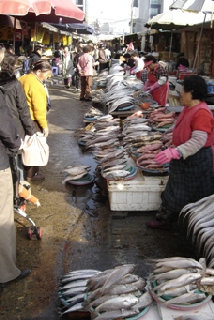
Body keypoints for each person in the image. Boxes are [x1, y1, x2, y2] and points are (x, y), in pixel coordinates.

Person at [147, 75, 214, 229]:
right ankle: (167, 220)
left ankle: (191, 226)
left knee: (195, 194)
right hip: (184, 156)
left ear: (192, 92)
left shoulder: (202, 112)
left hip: (197, 159)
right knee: (175, 189)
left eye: (184, 91)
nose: (181, 94)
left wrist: (176, 152)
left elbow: (198, 140)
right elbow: (181, 125)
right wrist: (173, 137)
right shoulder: (189, 108)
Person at [0, 45, 31, 287]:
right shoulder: (10, 84)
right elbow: (6, 127)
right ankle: (6, 272)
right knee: (2, 217)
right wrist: (18, 142)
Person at [19, 59, 52, 181]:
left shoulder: (23, 78)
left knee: (25, 146)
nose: (46, 78)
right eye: (46, 74)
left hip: (21, 117)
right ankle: (31, 175)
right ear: (39, 71)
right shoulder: (36, 84)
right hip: (32, 119)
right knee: (34, 148)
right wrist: (44, 125)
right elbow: (39, 109)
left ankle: (25, 173)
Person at [0, 52, 35, 140]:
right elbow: (23, 109)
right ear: (11, 66)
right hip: (14, 127)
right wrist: (30, 130)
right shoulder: (15, 84)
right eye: (15, 64)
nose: (16, 66)